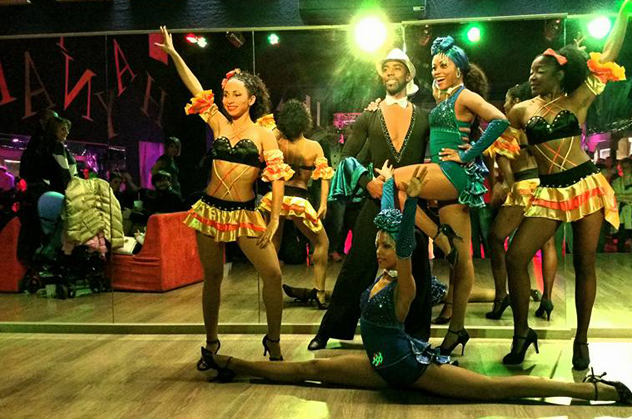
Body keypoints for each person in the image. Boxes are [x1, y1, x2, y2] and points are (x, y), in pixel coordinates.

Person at [199, 168, 632, 407]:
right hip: (378, 366)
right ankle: (233, 363)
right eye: (378, 245)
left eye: (387, 247)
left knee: (495, 390)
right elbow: (390, 243)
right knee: (307, 370)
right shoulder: (379, 276)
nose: (380, 251)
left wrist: (409, 203)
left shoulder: (404, 284)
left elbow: (406, 246)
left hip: (412, 368)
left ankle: (592, 391)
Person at [492, 0, 632, 370]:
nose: (532, 76)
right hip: (548, 191)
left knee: (584, 263)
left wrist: (624, 11)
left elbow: (609, 53)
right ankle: (522, 333)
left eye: (540, 70)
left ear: (559, 75)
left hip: (585, 185)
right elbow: (503, 146)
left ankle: (581, 341)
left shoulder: (578, 98)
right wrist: (498, 175)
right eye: (531, 70)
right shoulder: (520, 111)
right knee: (516, 256)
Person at [155, 26, 289, 362]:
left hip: (245, 213)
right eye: (226, 94)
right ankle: (211, 343)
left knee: (273, 274)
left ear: (252, 99)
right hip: (210, 210)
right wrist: (174, 54)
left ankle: (273, 341)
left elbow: (276, 178)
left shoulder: (264, 133)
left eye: (236, 94)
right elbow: (195, 86)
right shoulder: (217, 122)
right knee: (212, 277)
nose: (229, 99)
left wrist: (274, 219)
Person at [307, 48, 434, 351]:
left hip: (411, 204)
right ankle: (328, 330)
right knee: (357, 265)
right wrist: (369, 183)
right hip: (376, 202)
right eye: (386, 68)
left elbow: (434, 160)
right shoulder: (369, 115)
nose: (390, 73)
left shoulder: (425, 117)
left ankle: (417, 337)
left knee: (419, 269)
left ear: (408, 74)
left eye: (397, 68)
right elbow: (347, 157)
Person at [390, 36, 510, 356]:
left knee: (393, 182)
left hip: (452, 172)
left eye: (443, 65)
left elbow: (500, 120)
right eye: (433, 66)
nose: (437, 70)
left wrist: (468, 153)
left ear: (459, 69)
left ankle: (437, 238)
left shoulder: (465, 95)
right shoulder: (445, 97)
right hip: (445, 174)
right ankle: (457, 329)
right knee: (461, 257)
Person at [482, 82, 557, 322]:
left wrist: (507, 185)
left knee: (495, 238)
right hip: (545, 186)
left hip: (523, 184)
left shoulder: (510, 125)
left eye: (507, 99)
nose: (504, 104)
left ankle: (501, 295)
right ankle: (547, 298)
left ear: (516, 101)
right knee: (547, 244)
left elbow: (502, 160)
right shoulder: (540, 124)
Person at [257, 100, 333, 309]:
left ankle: (271, 289)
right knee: (322, 243)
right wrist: (323, 203)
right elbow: (325, 176)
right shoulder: (313, 146)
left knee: (273, 245)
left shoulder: (276, 142)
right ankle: (319, 291)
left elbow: (265, 130)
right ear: (305, 122)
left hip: (276, 199)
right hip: (299, 200)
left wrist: (279, 129)